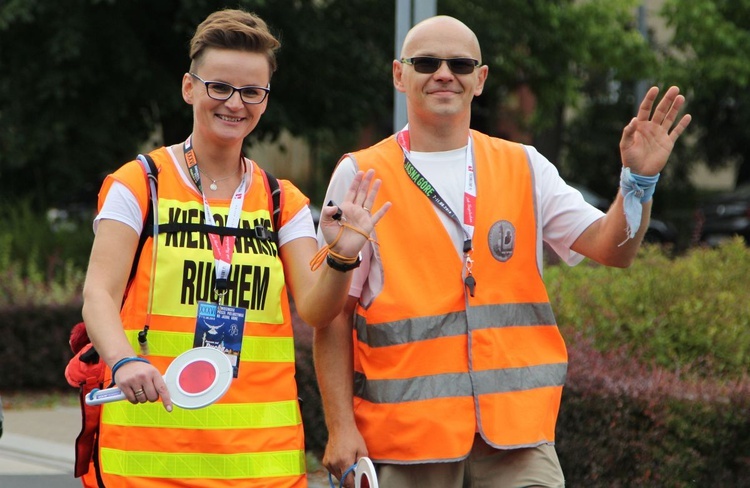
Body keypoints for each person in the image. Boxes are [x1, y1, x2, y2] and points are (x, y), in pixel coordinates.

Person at [314, 15, 691, 488]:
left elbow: (612, 248)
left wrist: (638, 183)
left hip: (519, 443)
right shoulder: (361, 174)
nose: (444, 73)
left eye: (461, 63)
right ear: (399, 74)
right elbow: (332, 315)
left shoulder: (525, 166)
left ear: (481, 79)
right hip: (406, 443)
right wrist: (340, 429)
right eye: (427, 62)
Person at [80, 8, 388, 488]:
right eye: (218, 87)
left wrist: (343, 255)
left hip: (262, 467)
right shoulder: (140, 184)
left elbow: (317, 309)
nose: (234, 103)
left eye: (251, 92)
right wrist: (124, 360)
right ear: (189, 88)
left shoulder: (281, 200)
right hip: (148, 464)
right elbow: (98, 294)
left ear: (265, 100)